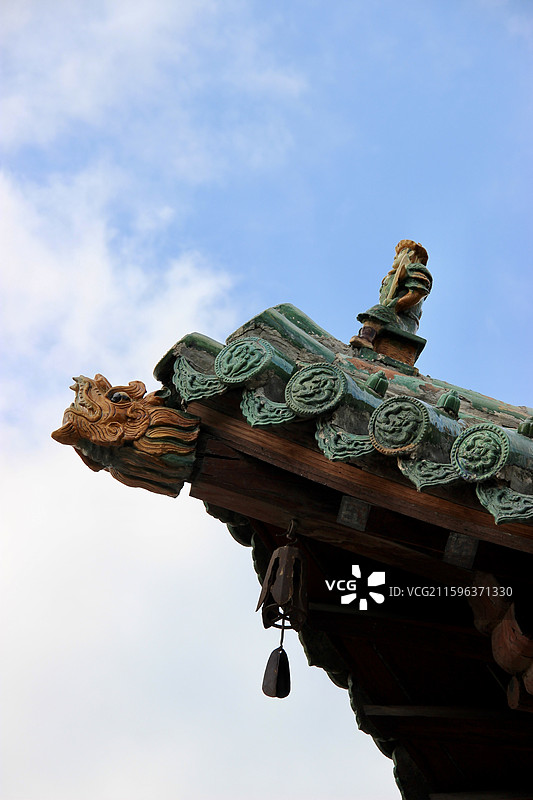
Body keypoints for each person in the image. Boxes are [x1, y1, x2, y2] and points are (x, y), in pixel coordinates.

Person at [350, 239, 432, 349]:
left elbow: (417, 293)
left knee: (377, 311)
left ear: (410, 254)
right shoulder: (389, 279)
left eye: (400, 253)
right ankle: (368, 336)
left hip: (405, 321)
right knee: (377, 313)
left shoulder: (414, 269)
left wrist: (395, 305)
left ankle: (366, 338)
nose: (395, 257)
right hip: (390, 314)